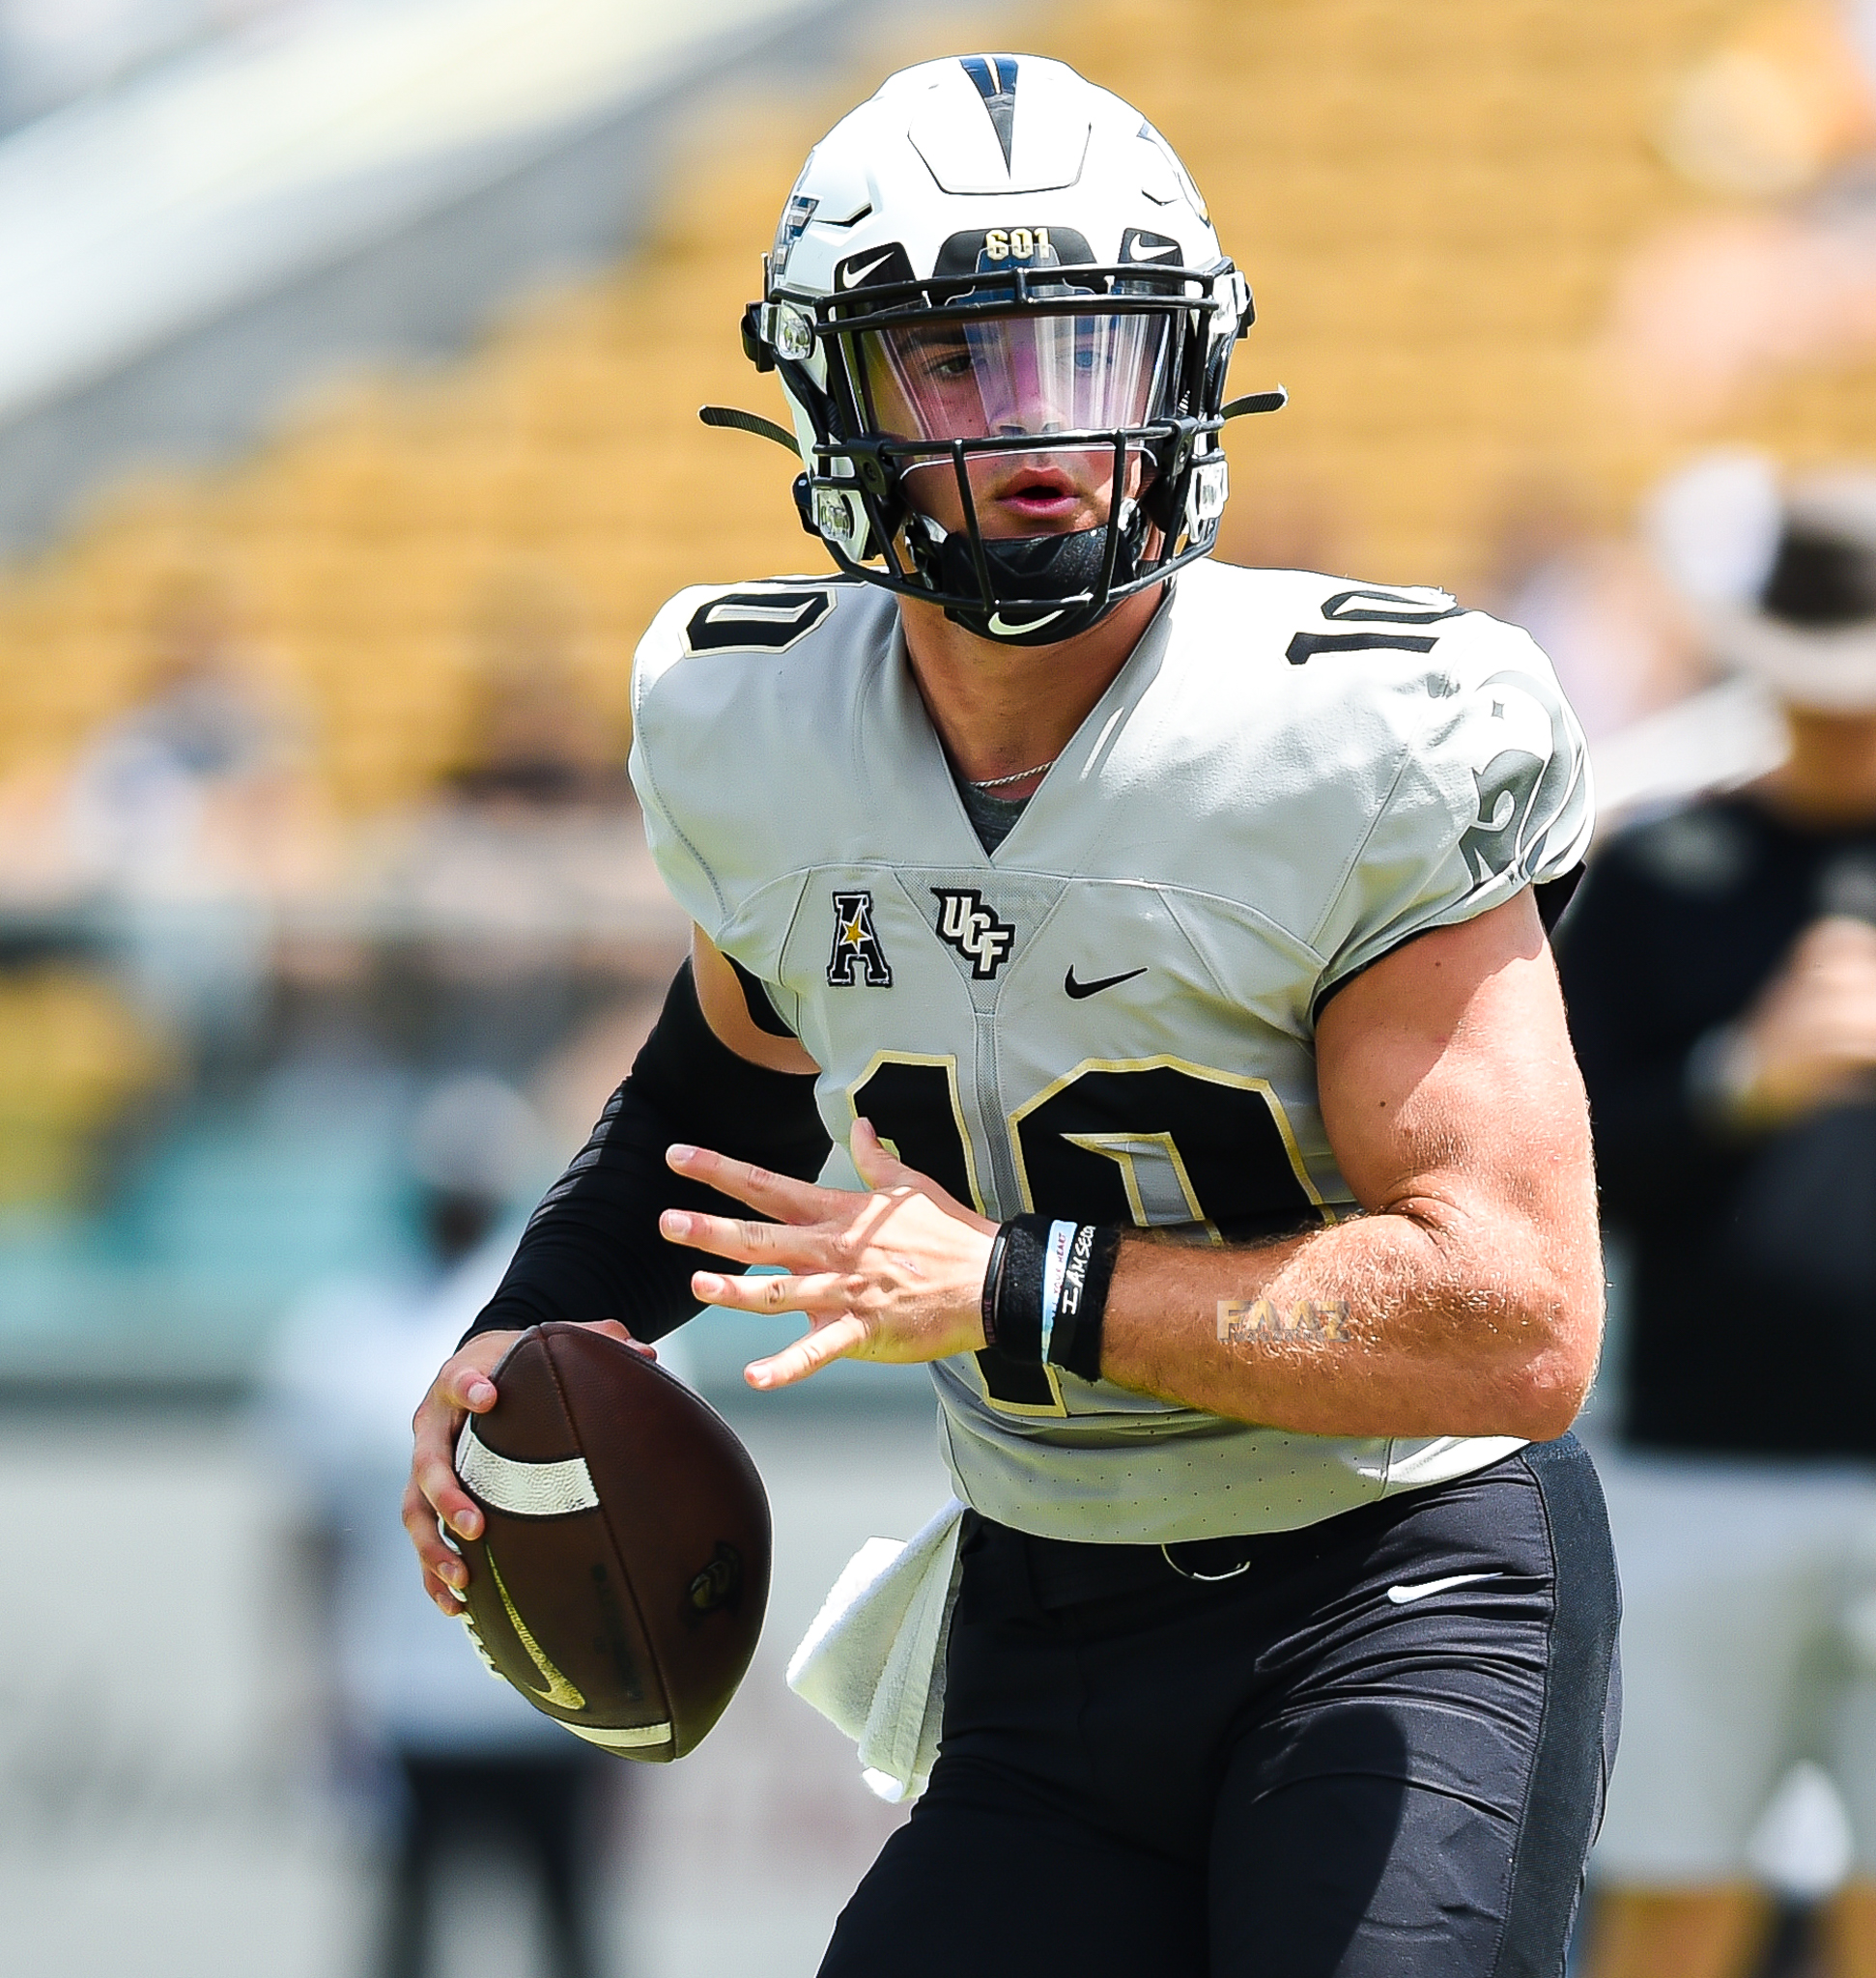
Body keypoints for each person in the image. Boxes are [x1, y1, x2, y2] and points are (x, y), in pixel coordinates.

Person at [403, 55, 1615, 1977]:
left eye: (1084, 353)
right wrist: (528, 1335)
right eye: (955, 363)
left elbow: (1514, 1320)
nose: (1033, 430)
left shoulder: (1355, 734)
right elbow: (724, 1065)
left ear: (1184, 378)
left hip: (1395, 1590)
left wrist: (1007, 1286)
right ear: (834, 397)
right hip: (1044, 1621)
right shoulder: (753, 724)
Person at [1561, 469, 1876, 1978]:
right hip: (1693, 1463)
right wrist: (1739, 1080)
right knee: (1672, 1898)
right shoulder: (1650, 875)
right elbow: (1556, 1177)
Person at [270, 1076, 613, 1978]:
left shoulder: (575, 1329)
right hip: (408, 1700)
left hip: (557, 1705)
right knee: (404, 1942)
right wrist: (318, 1692)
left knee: (574, 1936)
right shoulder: (344, 1328)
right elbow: (311, 1532)